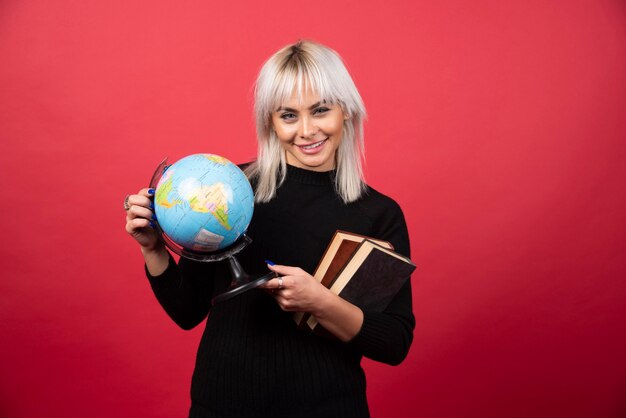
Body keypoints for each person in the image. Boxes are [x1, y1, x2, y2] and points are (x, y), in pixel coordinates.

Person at [124, 40, 415, 418]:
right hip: (222, 407)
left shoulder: (379, 214)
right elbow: (187, 312)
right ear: (271, 122)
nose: (307, 130)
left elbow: (394, 343)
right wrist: (154, 249)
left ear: (346, 110)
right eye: (288, 115)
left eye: (321, 110)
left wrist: (320, 302)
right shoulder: (228, 192)